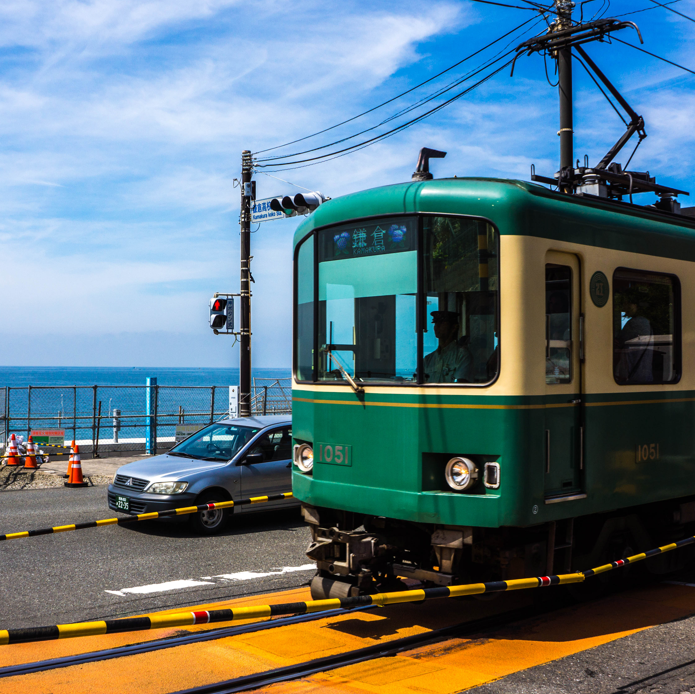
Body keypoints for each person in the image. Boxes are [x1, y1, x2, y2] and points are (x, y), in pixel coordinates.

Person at [424, 310, 473, 383]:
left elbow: (461, 386)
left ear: (454, 327)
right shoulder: (428, 360)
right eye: (436, 323)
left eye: (441, 323)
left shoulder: (462, 356)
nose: (437, 326)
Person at [615, 293, 653, 383]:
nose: (624, 307)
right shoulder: (647, 323)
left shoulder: (634, 324)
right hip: (645, 374)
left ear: (635, 305)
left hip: (632, 375)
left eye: (627, 303)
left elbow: (620, 342)